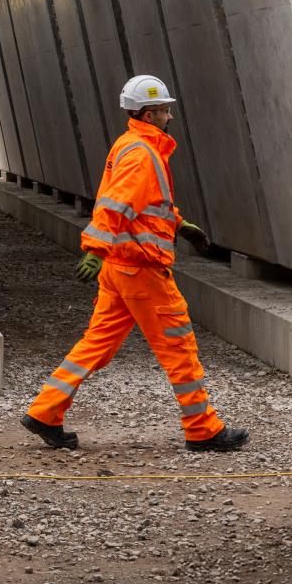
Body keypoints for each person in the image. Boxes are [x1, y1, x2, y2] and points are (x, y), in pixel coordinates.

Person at [20, 73, 250, 453]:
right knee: (179, 348)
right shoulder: (143, 154)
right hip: (141, 268)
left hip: (120, 268)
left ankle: (45, 411)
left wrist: (179, 223)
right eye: (163, 110)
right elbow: (117, 204)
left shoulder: (132, 146)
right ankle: (203, 429)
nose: (169, 117)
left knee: (96, 345)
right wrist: (94, 249)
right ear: (147, 113)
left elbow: (145, 205)